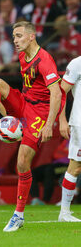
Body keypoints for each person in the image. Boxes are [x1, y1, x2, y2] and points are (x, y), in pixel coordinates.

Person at [0, 21, 66, 232]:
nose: (15, 41)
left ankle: (18, 215)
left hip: (41, 113)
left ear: (32, 36)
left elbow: (57, 93)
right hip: (25, 103)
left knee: (22, 161)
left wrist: (50, 124)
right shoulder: (22, 55)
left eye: (18, 36)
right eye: (14, 37)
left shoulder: (44, 60)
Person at [58, 56, 81, 222]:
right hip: (80, 122)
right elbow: (60, 92)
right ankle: (64, 212)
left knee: (76, 166)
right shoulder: (77, 63)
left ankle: (64, 213)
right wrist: (62, 119)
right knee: (76, 165)